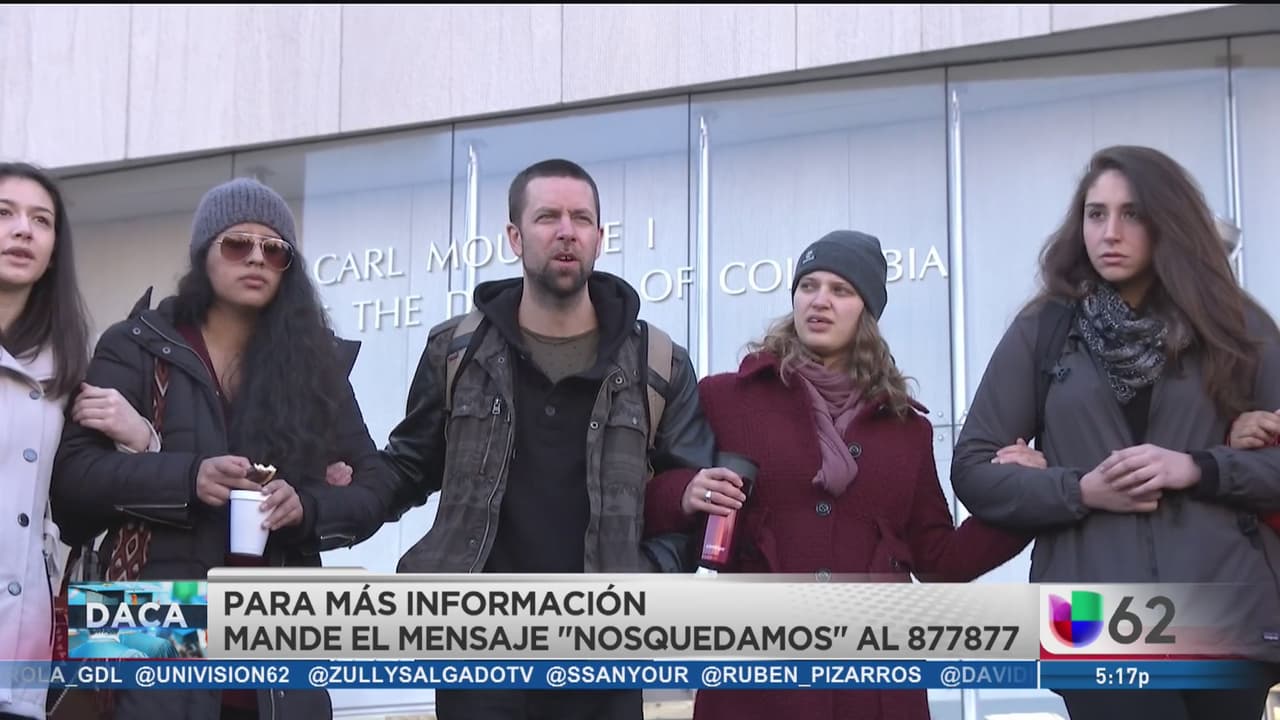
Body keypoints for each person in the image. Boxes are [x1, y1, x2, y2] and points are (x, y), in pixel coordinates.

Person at [51, 177, 400, 720]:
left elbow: (376, 491)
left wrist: (306, 508)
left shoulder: (315, 367)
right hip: (144, 624)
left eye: (275, 250)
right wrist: (188, 478)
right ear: (204, 255)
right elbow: (72, 484)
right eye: (237, 244)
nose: (257, 258)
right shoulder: (135, 344)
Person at [644, 230, 1029, 720]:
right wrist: (685, 492)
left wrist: (1023, 500)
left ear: (866, 310)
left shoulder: (906, 429)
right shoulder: (726, 398)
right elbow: (642, 496)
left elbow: (938, 560)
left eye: (840, 290)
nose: (819, 300)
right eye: (808, 286)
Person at [952, 145, 1280, 720]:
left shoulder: (1237, 325)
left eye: (1132, 214)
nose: (1109, 232)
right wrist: (1079, 489)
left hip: (1226, 606)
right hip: (1090, 618)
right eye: (1095, 214)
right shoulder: (1043, 328)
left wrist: (1197, 467)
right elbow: (973, 470)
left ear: (1169, 221)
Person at [381, 158, 715, 720]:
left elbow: (691, 502)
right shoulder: (456, 350)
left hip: (605, 656)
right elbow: (408, 468)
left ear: (599, 238)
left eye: (581, 219)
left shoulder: (658, 362)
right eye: (547, 217)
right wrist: (328, 499)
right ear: (515, 237)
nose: (566, 231)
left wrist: (646, 578)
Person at [0, 163, 92, 720]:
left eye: (41, 220)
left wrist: (140, 435)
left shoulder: (68, 362)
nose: (22, 230)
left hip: (23, 643)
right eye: (4, 213)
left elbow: (86, 498)